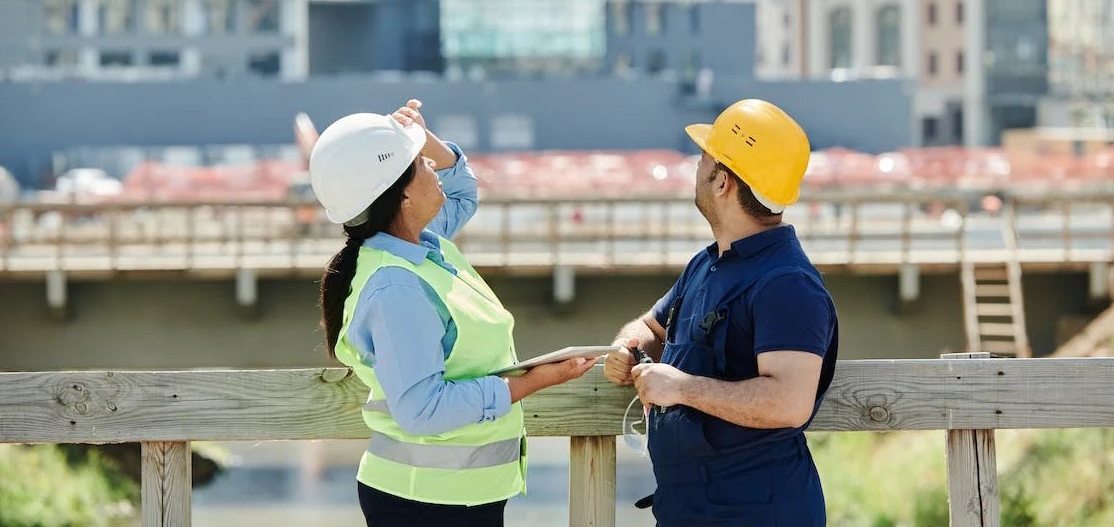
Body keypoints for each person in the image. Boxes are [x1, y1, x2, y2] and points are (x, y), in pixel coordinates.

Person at [310, 99, 595, 527]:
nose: (432, 164)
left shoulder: (424, 246)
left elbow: (462, 190)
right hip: (424, 502)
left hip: (457, 496)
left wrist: (424, 139)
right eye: (421, 163)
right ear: (403, 194)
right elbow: (423, 409)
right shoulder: (397, 285)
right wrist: (537, 380)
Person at [603, 99, 839, 526]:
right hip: (692, 509)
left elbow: (789, 401)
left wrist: (681, 388)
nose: (696, 168)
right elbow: (650, 326)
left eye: (703, 159)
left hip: (757, 514)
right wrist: (628, 346)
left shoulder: (787, 282)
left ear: (722, 182)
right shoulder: (707, 263)